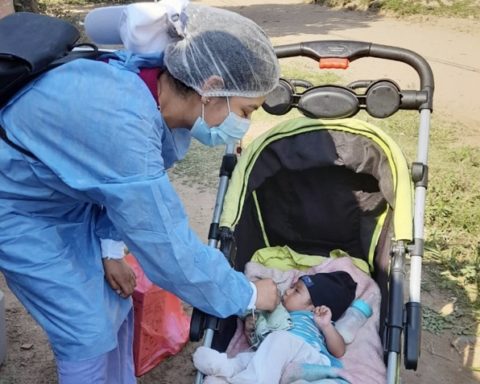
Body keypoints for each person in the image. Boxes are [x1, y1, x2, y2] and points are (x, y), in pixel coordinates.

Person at [0, 3, 280, 383]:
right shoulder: (124, 121)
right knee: (84, 332)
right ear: (211, 88)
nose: (243, 125)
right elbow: (169, 249)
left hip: (60, 195)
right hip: (16, 207)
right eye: (246, 111)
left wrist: (110, 248)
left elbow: (112, 185)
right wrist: (248, 294)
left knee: (115, 304)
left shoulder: (150, 86)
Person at [193, 271, 357, 384]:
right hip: (279, 368)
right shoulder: (273, 313)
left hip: (307, 357)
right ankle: (227, 369)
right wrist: (250, 330)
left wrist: (327, 326)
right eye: (292, 287)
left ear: (314, 306)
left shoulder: (317, 318)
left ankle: (248, 380)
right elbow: (264, 346)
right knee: (253, 357)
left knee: (280, 340)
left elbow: (339, 351)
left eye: (296, 291)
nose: (287, 292)